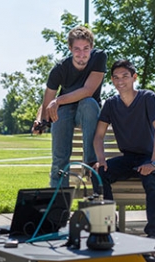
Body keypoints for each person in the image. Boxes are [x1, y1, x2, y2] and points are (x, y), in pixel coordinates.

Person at [93, 59, 155, 239]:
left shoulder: (148, 97)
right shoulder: (111, 104)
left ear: (134, 77)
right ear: (112, 80)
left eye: (125, 76)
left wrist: (154, 162)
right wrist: (101, 159)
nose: (121, 81)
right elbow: (98, 136)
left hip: (152, 157)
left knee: (152, 177)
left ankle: (154, 235)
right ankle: (107, 228)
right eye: (116, 77)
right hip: (129, 158)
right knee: (99, 174)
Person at [32, 25, 107, 188]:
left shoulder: (99, 58)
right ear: (70, 49)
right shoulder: (59, 69)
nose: (82, 54)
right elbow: (48, 102)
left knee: (89, 103)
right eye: (77, 49)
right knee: (59, 159)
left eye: (86, 49)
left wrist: (58, 101)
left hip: (86, 113)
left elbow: (88, 91)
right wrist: (40, 121)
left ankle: (89, 164)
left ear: (91, 47)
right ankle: (58, 206)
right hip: (64, 111)